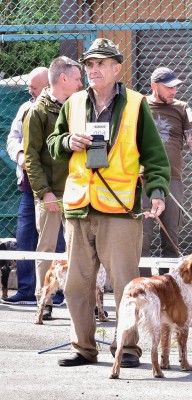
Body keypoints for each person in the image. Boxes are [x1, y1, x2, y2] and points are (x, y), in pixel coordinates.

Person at [47, 38, 170, 368]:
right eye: (89, 64)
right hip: (79, 205)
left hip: (119, 206)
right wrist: (67, 141)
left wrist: (156, 192)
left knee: (126, 285)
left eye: (101, 63)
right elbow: (53, 143)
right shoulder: (72, 103)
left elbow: (155, 156)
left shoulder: (135, 103)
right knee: (76, 285)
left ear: (118, 68)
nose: (93, 69)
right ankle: (84, 348)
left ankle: (127, 349)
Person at [23, 56, 83, 319]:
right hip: (50, 192)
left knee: (79, 247)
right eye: (78, 78)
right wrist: (43, 192)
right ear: (63, 79)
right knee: (46, 247)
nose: (82, 82)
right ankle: (43, 300)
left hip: (77, 188)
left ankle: (79, 299)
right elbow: (31, 157)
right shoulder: (37, 112)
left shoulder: (78, 107)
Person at [141, 67, 192, 276]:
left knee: (171, 237)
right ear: (154, 86)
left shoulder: (181, 107)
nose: (174, 91)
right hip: (143, 179)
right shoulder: (139, 106)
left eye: (176, 87)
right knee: (142, 236)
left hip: (172, 178)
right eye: (169, 87)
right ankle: (145, 285)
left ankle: (169, 285)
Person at [3, 67, 48, 305]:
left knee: (57, 239)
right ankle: (26, 289)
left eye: (34, 86)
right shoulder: (25, 108)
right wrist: (19, 154)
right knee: (25, 236)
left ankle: (56, 292)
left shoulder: (63, 107)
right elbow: (12, 137)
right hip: (28, 187)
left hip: (54, 188)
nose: (29, 90)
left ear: (49, 85)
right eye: (29, 86)